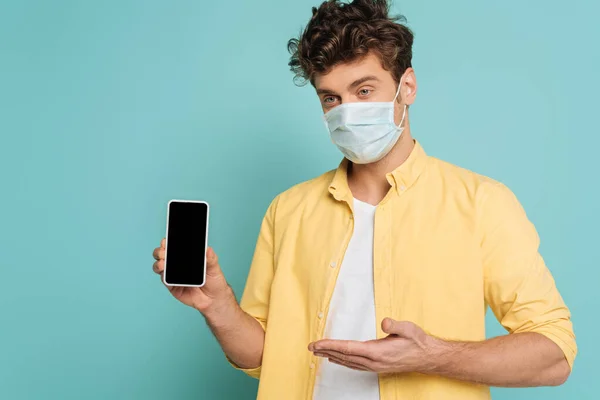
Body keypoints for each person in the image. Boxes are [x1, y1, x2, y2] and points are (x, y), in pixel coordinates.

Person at [151, 0, 577, 398]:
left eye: (364, 90)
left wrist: (432, 355)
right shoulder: (288, 210)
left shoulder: (483, 203)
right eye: (331, 98)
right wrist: (218, 305)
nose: (346, 110)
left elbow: (554, 354)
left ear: (406, 87)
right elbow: (264, 358)